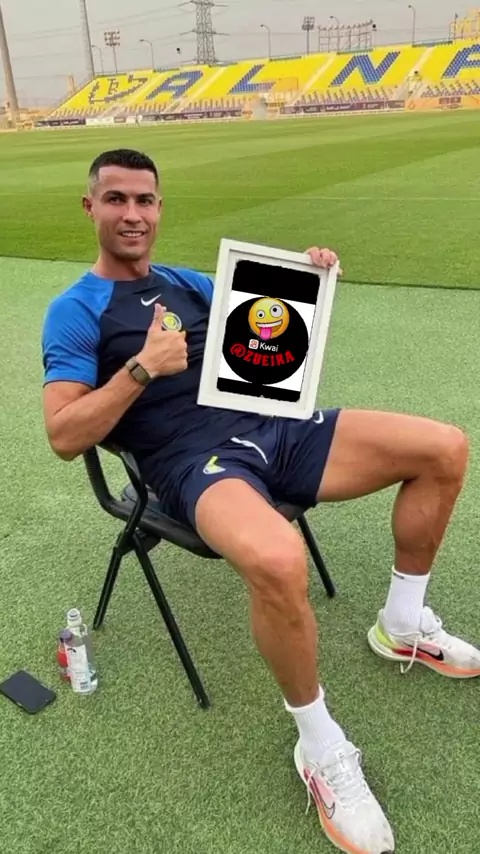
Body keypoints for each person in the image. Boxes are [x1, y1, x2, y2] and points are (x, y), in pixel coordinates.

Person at [41, 148, 480, 854]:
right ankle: (319, 745)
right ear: (91, 207)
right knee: (279, 559)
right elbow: (64, 436)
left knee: (444, 448)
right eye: (116, 199)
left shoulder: (187, 283)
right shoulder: (75, 311)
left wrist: (307, 274)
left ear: (159, 208)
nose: (132, 214)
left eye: (145, 200)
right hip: (194, 462)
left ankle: (401, 624)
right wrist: (141, 369)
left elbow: (268, 314)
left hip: (275, 427)